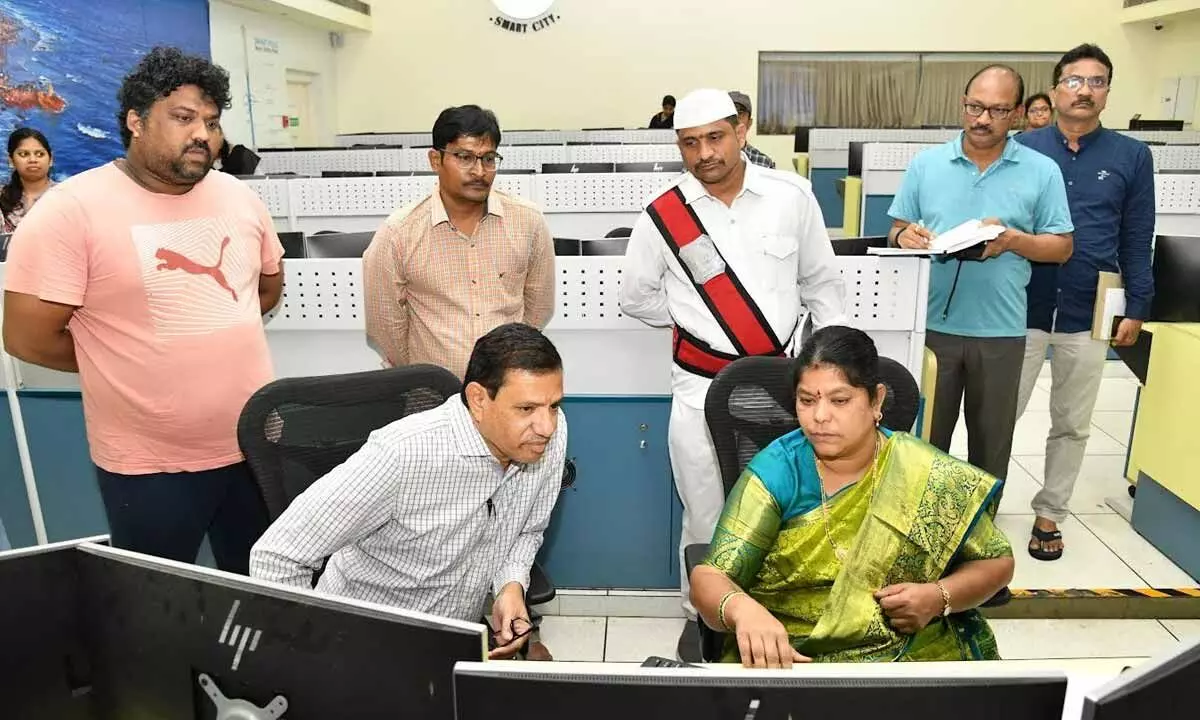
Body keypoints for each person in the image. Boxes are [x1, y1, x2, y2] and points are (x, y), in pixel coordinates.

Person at [2, 47, 283, 575]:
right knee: (159, 616)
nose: (202, 133)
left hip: (255, 448)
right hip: (150, 465)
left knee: (264, 600)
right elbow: (27, 339)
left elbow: (264, 291)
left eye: (212, 121)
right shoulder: (70, 212)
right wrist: (127, 360)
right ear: (135, 122)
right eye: (182, 117)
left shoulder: (240, 198)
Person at [619, 88, 846, 659]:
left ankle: (777, 614)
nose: (704, 154)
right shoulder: (663, 213)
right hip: (699, 388)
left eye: (715, 138)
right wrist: (695, 325)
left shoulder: (791, 197)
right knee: (705, 512)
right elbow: (636, 297)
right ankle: (703, 618)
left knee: (786, 505)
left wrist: (837, 366)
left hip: (780, 386)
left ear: (741, 131)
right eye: (690, 143)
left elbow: (822, 285)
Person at [691, 326, 1015, 668]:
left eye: (840, 400)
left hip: (910, 651)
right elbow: (709, 578)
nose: (819, 417)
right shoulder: (779, 471)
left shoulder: (920, 470)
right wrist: (743, 611)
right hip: (799, 656)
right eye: (807, 400)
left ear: (876, 401)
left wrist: (939, 597)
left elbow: (996, 562)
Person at [250, 323, 566, 661]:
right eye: (526, 409)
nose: (546, 426)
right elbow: (277, 557)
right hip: (364, 647)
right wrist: (315, 656)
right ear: (478, 400)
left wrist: (510, 585)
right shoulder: (402, 456)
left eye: (553, 405)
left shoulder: (548, 436)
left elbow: (527, 529)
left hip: (454, 639)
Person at [888, 65, 1073, 495]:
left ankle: (980, 530)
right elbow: (896, 228)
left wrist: (1011, 241)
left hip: (1001, 331)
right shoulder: (927, 165)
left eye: (997, 110)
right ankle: (921, 530)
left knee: (990, 445)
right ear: (963, 104)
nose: (982, 119)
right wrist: (905, 236)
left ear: (1020, 114)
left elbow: (1062, 247)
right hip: (931, 327)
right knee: (924, 443)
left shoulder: (1041, 171)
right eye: (974, 107)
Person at [1014, 45, 1154, 561]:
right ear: (1054, 90)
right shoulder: (1022, 148)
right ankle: (981, 510)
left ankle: (1050, 512)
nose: (1084, 90)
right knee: (1000, 416)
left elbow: (1138, 236)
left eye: (1097, 81)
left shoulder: (1131, 156)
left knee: (1072, 420)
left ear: (1107, 93)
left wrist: (1137, 304)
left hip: (1091, 303)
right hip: (1020, 301)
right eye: (1074, 80)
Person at [363, 105, 555, 380]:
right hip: (432, 392)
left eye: (488, 158)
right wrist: (424, 377)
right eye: (465, 157)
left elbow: (539, 308)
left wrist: (509, 362)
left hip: (506, 387)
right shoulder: (399, 233)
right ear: (435, 160)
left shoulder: (528, 222)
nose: (479, 171)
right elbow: (385, 328)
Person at [1, 128, 55, 233]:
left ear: (51, 159)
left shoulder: (66, 197)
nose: (33, 160)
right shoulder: (1, 197)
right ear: (11, 161)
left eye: (40, 154)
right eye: (24, 154)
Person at [728, 91, 776, 169]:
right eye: (730, 114)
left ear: (749, 123)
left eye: (740, 114)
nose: (735, 119)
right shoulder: (708, 158)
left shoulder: (763, 163)